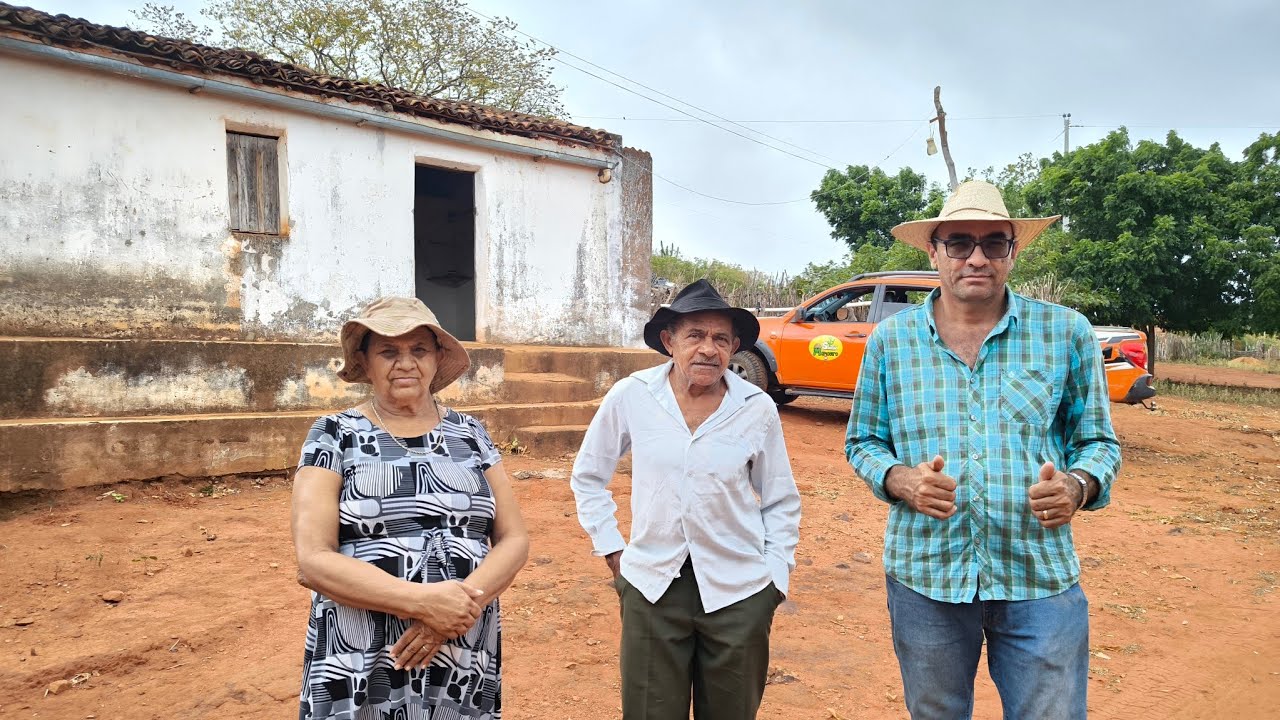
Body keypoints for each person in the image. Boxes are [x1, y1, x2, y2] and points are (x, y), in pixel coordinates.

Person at [845, 180, 1123, 719]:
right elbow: (862, 441)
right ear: (934, 250)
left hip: (1037, 574)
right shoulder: (890, 341)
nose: (977, 258)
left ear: (1012, 252)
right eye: (959, 244)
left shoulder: (1065, 333)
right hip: (926, 573)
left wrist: (1077, 485)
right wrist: (900, 479)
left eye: (994, 243)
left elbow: (1097, 441)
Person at [570, 279, 802, 720]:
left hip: (739, 591)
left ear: (734, 347)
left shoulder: (756, 407)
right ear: (669, 341)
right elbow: (588, 476)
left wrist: (774, 579)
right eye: (694, 335)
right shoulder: (632, 395)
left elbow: (780, 499)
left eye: (720, 338)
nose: (708, 349)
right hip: (652, 587)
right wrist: (614, 553)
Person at [291, 296, 529, 720]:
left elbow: (513, 538)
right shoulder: (334, 434)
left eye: (418, 349)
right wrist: (422, 603)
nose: (405, 363)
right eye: (388, 351)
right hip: (362, 653)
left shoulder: (472, 433)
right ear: (364, 362)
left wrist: (454, 611)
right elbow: (314, 559)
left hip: (461, 646)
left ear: (437, 358)